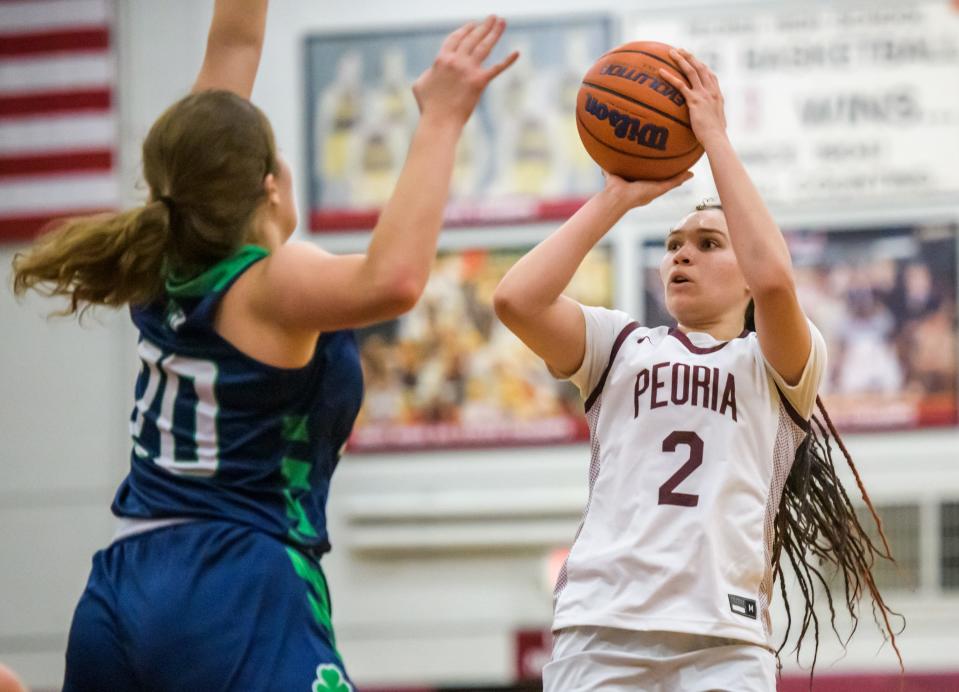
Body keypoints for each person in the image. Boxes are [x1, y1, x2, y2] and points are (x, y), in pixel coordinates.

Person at [12, 2, 517, 689]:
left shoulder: (163, 259)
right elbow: (393, 280)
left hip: (122, 581)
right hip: (231, 581)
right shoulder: (273, 284)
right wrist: (441, 117)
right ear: (271, 183)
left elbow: (233, 38)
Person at [493, 48, 900, 691]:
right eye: (674, 245)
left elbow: (775, 278)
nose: (683, 255)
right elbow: (516, 299)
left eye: (709, 244)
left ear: (744, 275)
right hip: (602, 626)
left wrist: (714, 139)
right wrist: (613, 200)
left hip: (725, 639)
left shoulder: (776, 363)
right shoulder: (619, 345)